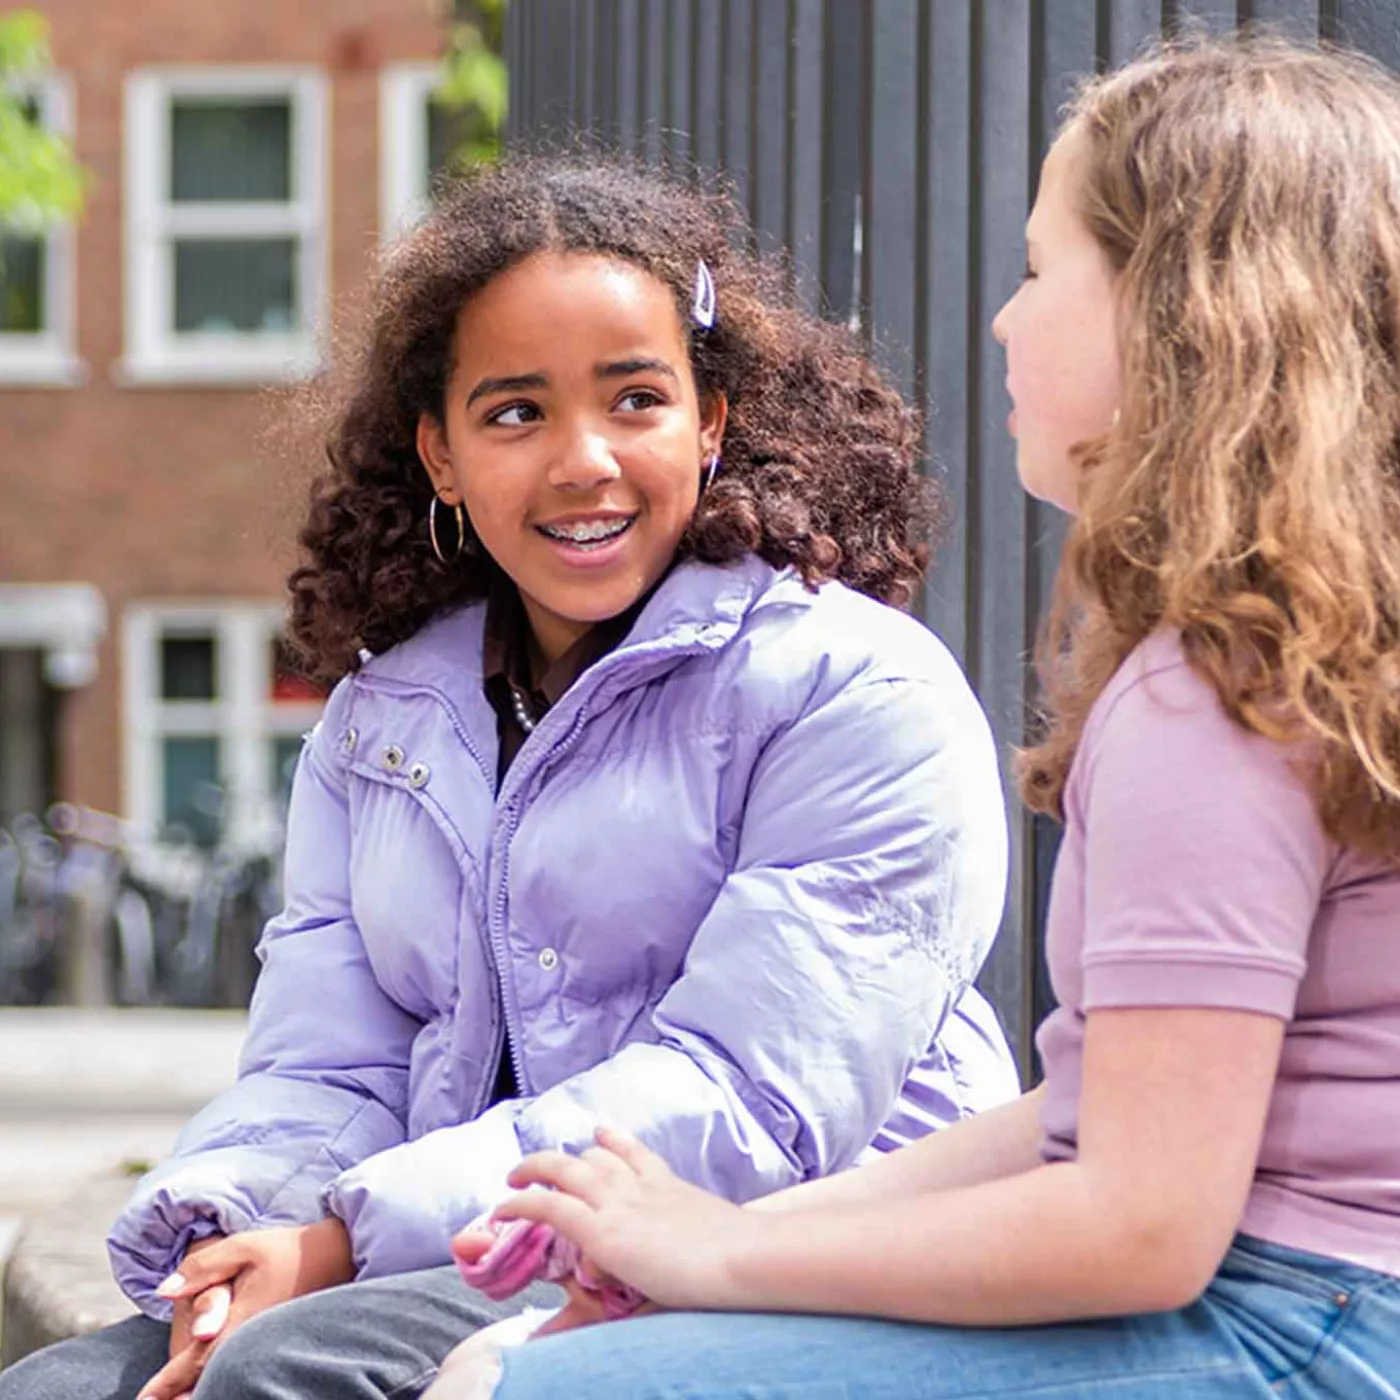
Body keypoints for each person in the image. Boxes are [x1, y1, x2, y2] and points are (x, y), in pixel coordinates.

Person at [456, 37, 1400, 1400]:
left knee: (527, 1386)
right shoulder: (1287, 654)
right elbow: (1076, 1122)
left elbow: (1139, 1225)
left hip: (1295, 1328)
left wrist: (721, 1266)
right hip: (1331, 1309)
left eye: (1038, 269)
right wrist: (710, 1239)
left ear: (1187, 311)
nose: (1004, 322)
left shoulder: (1211, 694)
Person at [0, 158, 1017, 1400]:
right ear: (440, 453)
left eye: (635, 398)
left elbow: (744, 1099)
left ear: (710, 424)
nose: (582, 460)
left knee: (286, 1369)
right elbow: (327, 1061)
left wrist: (341, 1241)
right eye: (515, 412)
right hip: (467, 1237)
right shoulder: (384, 724)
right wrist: (236, 1226)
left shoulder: (852, 689)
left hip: (781, 1244)